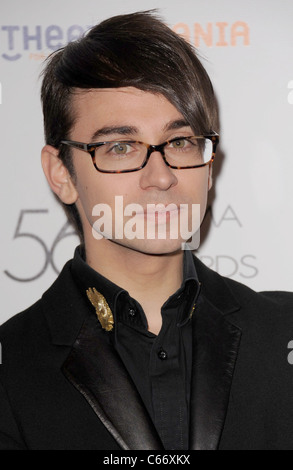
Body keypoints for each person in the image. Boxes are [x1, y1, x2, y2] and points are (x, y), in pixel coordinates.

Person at [1, 10, 293, 451]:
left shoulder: (283, 337)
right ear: (61, 173)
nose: (161, 176)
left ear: (209, 166)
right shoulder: (11, 368)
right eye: (120, 147)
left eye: (179, 142)